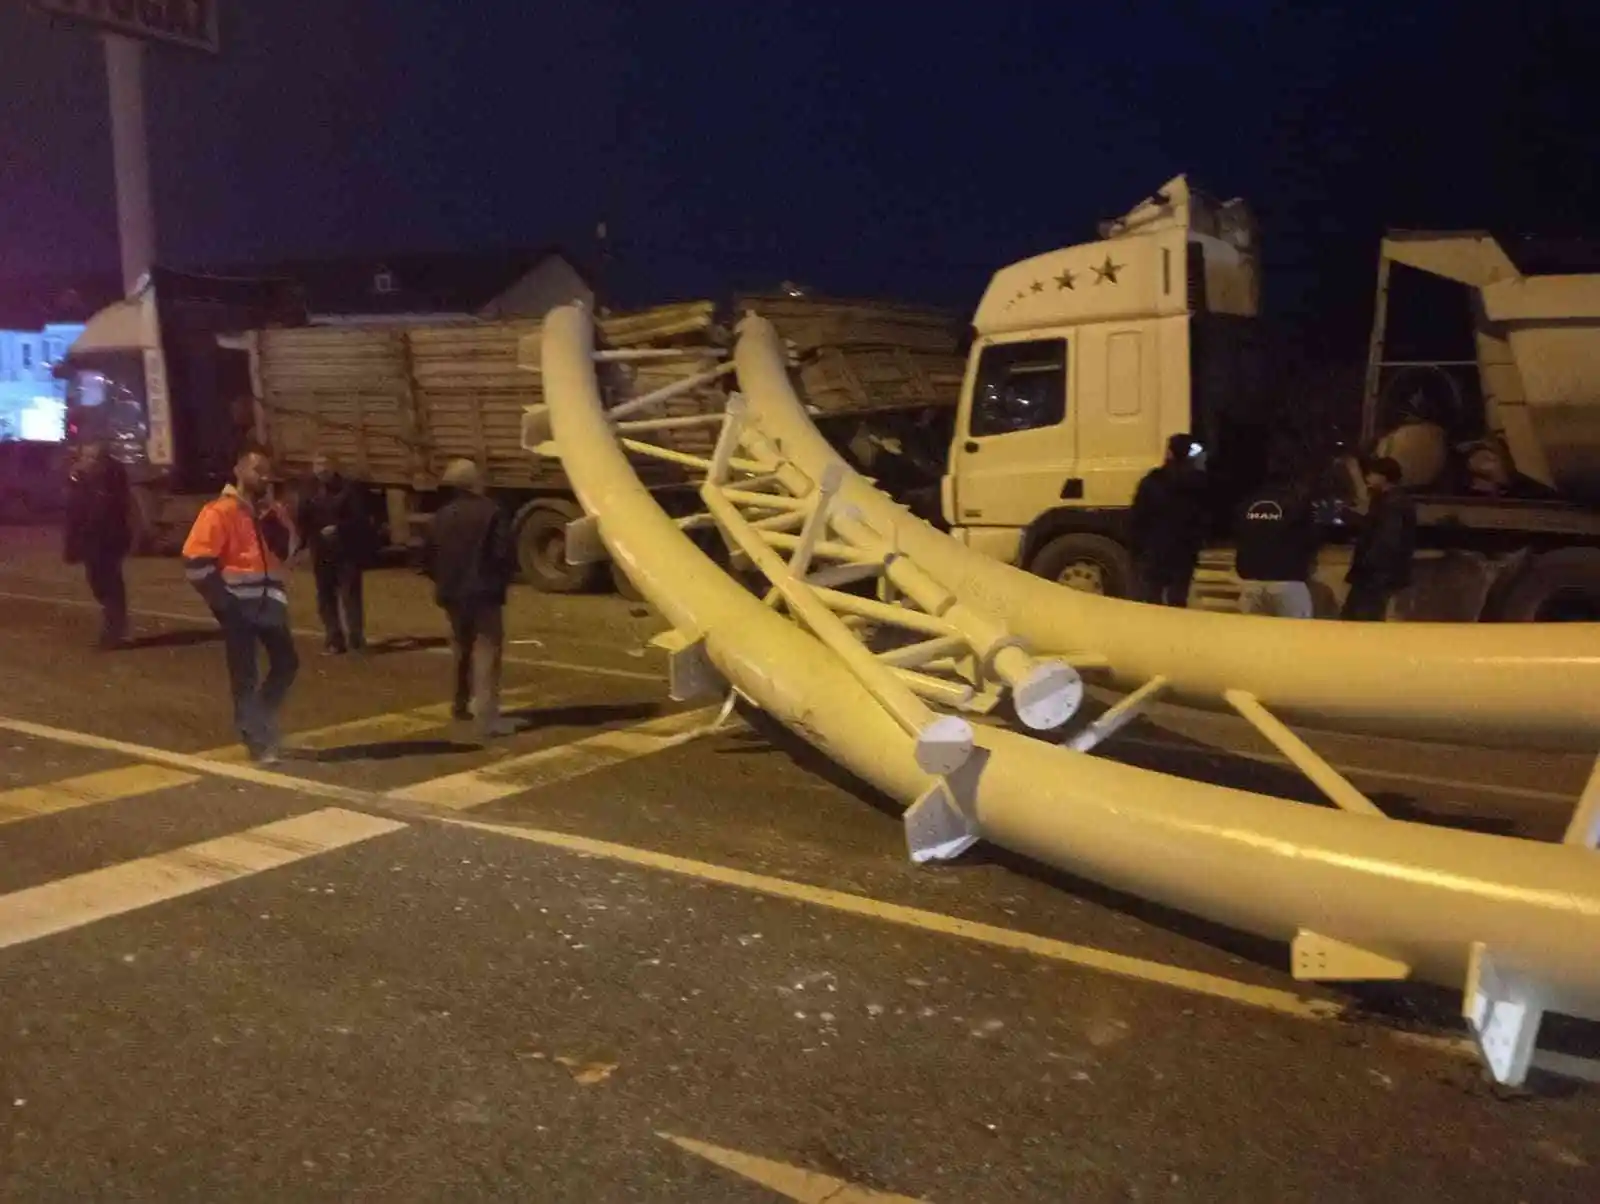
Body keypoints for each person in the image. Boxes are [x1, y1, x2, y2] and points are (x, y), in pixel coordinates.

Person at [182, 445, 300, 762]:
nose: (262, 477)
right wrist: (222, 603)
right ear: (239, 471)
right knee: (244, 674)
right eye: (256, 470)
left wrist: (277, 521)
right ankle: (256, 738)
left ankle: (258, 718)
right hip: (237, 606)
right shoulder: (219, 512)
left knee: (287, 663)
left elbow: (289, 551)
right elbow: (195, 561)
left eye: (266, 473)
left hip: (270, 603)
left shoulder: (268, 512)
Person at [424, 459, 516, 741]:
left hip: (451, 594)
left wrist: (442, 581)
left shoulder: (440, 516)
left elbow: (427, 557)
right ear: (474, 482)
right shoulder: (492, 512)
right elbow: (503, 555)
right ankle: (487, 717)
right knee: (487, 652)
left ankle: (460, 704)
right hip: (484, 593)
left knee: (460, 649)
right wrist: (500, 582)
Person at [296, 452, 372, 654]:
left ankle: (356, 640)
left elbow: (360, 519)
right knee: (326, 596)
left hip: (346, 550)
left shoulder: (349, 489)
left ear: (333, 467)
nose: (321, 469)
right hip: (321, 551)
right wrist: (300, 543)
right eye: (317, 465)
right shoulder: (308, 490)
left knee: (350, 595)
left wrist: (339, 528)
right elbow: (302, 518)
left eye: (324, 465)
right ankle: (334, 639)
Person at [1233, 453, 1322, 619]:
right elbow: (1311, 538)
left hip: (1251, 580)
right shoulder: (1299, 503)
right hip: (1288, 581)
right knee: (1294, 638)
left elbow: (1239, 532)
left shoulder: (1248, 502)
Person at [63, 440, 133, 648]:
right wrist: (72, 545)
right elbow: (74, 512)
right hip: (90, 540)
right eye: (86, 456)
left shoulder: (112, 477)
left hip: (109, 539)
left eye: (94, 457)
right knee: (96, 582)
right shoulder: (79, 477)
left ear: (104, 459)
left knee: (110, 583)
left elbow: (114, 508)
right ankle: (114, 624)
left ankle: (115, 630)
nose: (88, 461)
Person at [1129, 432, 1210, 607]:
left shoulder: (1152, 481)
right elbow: (1203, 518)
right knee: (1178, 599)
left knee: (1152, 597)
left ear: (1169, 453)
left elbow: (1138, 516)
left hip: (1155, 550)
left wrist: (1138, 547)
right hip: (1184, 552)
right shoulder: (1199, 483)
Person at [1341, 456, 1416, 622]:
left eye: (1371, 474)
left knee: (1362, 620)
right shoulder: (1388, 501)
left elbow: (1387, 540)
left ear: (1384, 477)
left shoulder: (1392, 504)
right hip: (1375, 576)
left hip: (1375, 578)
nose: (1368, 478)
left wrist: (1367, 564)